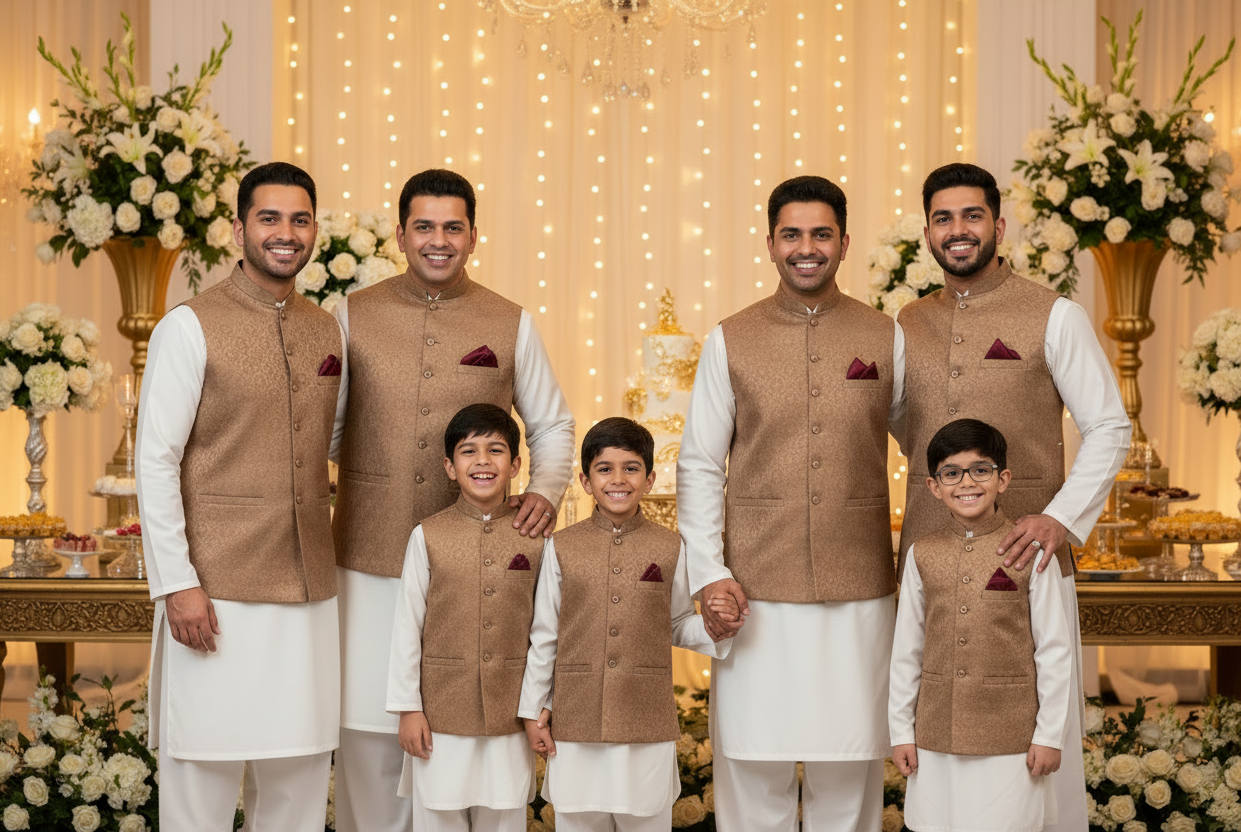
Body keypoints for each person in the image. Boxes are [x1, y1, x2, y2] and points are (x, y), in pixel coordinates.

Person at [330, 168, 575, 831]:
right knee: (369, 734)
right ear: (401, 233)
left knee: (465, 739)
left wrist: (546, 494)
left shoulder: (508, 319)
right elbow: (324, 428)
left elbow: (552, 426)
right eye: (424, 227)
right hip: (367, 556)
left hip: (480, 569)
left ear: (473, 234)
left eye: (453, 227)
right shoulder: (352, 313)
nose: (438, 240)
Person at [893, 162, 1130, 832]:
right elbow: (890, 417)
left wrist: (1058, 518)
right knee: (937, 728)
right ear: (928, 232)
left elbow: (1109, 425)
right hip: (930, 557)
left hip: (1030, 559)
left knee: (1038, 750)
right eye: (943, 218)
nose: (958, 230)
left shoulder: (1054, 314)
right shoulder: (908, 322)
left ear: (999, 226)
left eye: (971, 216)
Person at [677, 175, 902, 832]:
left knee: (848, 775)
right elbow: (698, 464)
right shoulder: (730, 338)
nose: (807, 248)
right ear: (771, 244)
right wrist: (710, 571)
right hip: (753, 592)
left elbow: (935, 455)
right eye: (792, 234)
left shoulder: (886, 336)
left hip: (859, 590)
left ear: (844, 242)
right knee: (752, 768)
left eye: (821, 234)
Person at [138, 161, 346, 830]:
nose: (286, 233)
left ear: (314, 229)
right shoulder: (189, 327)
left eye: (299, 218)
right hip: (216, 591)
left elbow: (339, 443)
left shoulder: (326, 331)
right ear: (239, 229)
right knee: (201, 774)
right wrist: (178, 584)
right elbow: (156, 461)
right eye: (270, 218)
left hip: (310, 592)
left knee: (300, 774)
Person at [518, 417, 732, 832]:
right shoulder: (560, 546)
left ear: (650, 479)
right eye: (605, 469)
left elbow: (676, 623)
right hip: (575, 718)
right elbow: (545, 635)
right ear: (584, 480)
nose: (618, 479)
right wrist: (533, 710)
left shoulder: (672, 546)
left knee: (645, 818)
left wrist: (713, 629)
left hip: (645, 718)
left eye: (631, 468)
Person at [890, 418, 1072, 832]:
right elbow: (906, 652)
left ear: (1002, 479)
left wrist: (1049, 735)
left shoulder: (1030, 550)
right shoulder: (922, 553)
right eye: (951, 473)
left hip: (1010, 735)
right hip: (936, 734)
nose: (966, 482)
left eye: (980, 470)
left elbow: (1054, 650)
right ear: (934, 486)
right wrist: (901, 730)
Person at [386, 403, 545, 832]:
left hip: (509, 714)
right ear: (449, 467)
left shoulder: (537, 540)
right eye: (468, 451)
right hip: (439, 714)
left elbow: (545, 632)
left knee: (505, 818)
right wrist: (407, 709)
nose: (482, 461)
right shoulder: (427, 535)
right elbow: (408, 627)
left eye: (495, 451)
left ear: (515, 464)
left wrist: (537, 707)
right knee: (438, 816)